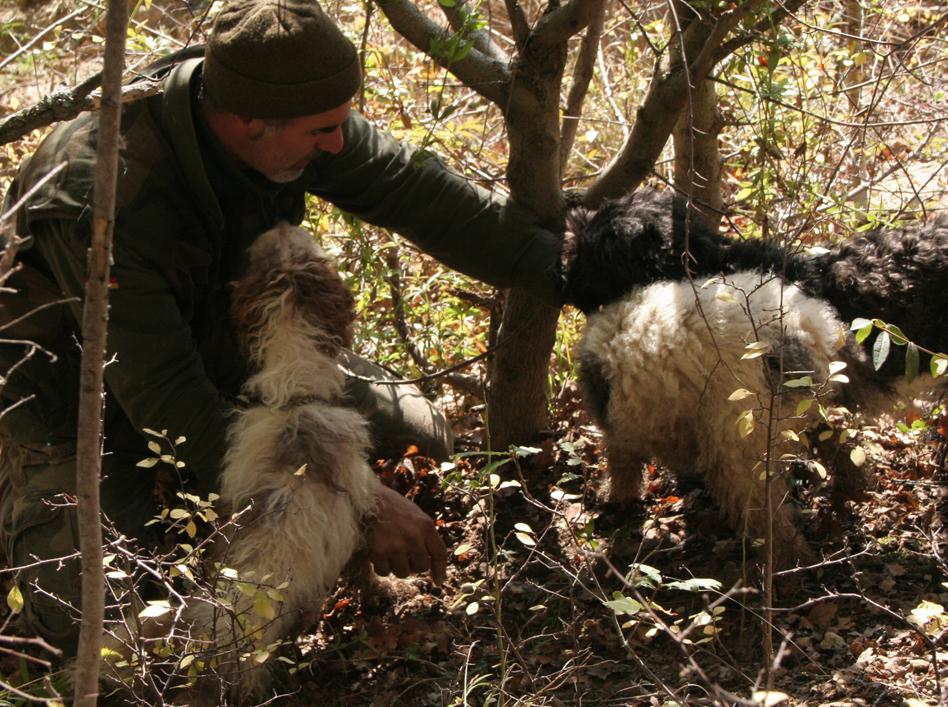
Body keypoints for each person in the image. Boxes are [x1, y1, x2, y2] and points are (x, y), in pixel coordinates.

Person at [0, 0, 560, 653]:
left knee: (421, 438)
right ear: (245, 122)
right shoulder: (102, 194)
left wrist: (581, 265)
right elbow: (169, 401)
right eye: (323, 130)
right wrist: (358, 501)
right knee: (116, 626)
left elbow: (426, 198)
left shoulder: (288, 109)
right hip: (78, 402)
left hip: (220, 359)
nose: (339, 144)